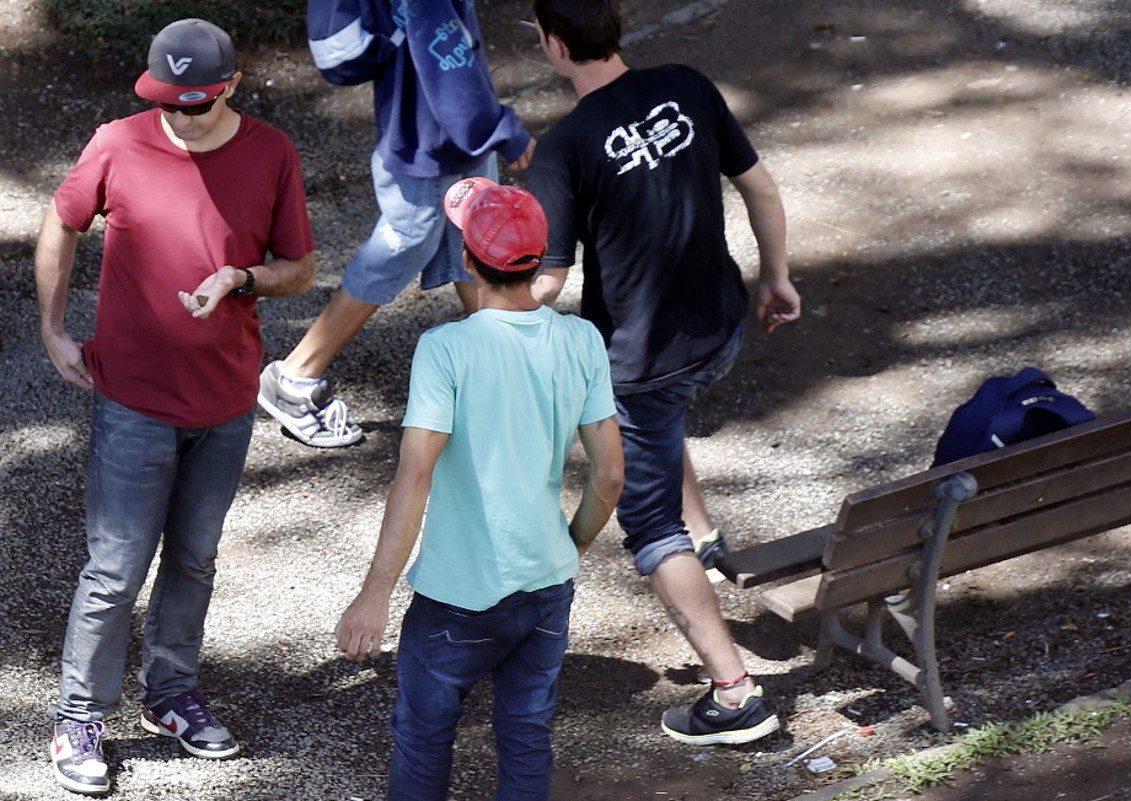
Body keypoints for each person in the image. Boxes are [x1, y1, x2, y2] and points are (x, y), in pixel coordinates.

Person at [35, 19, 317, 795]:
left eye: (197, 104)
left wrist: (243, 279)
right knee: (116, 568)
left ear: (229, 86)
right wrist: (53, 329)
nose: (182, 118)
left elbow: (299, 267)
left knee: (194, 558)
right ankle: (79, 716)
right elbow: (61, 221)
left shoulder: (271, 152)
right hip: (133, 398)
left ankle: (171, 694)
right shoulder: (118, 142)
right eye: (170, 103)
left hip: (225, 402)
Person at [526, 0, 802, 745]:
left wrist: (494, 314)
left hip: (642, 364)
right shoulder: (686, 82)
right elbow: (763, 188)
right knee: (656, 426)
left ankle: (737, 695)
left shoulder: (567, 145)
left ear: (554, 45)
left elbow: (547, 282)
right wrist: (776, 278)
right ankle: (706, 539)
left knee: (649, 525)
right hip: (720, 328)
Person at [333, 177, 624, 800]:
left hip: (456, 594)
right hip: (546, 583)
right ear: (540, 259)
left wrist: (374, 593)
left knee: (424, 736)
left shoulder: (445, 350)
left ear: (467, 259)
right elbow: (610, 475)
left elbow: (414, 474)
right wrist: (569, 544)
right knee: (525, 734)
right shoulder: (581, 340)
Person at [256, 0, 539, 448]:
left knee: (472, 236)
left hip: (436, 133)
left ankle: (509, 371)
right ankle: (295, 376)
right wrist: (498, 127)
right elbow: (446, 57)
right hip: (430, 138)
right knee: (404, 243)